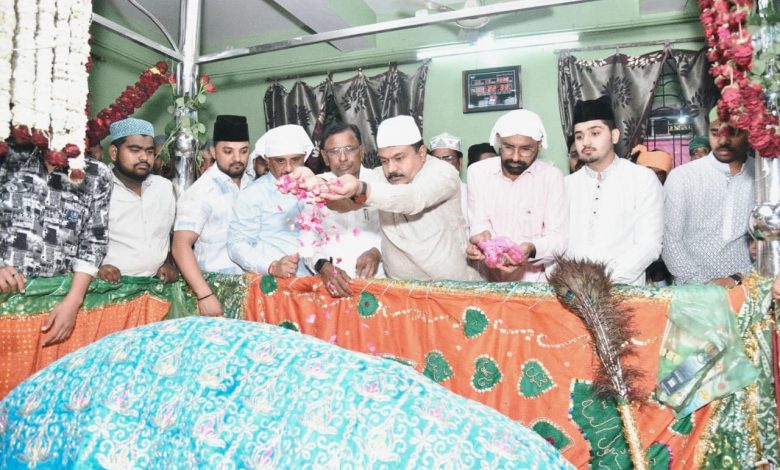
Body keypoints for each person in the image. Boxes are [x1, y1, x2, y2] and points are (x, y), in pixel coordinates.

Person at [295, 115, 476, 281]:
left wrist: (361, 188)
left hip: (450, 286)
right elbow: (345, 204)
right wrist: (318, 185)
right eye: (384, 160)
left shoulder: (443, 173)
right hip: (398, 288)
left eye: (399, 158)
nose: (391, 169)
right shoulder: (380, 175)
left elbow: (414, 198)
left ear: (421, 153)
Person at [0, 136, 113, 346]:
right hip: (5, 300)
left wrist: (74, 300)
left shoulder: (96, 174)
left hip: (58, 306)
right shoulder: (6, 156)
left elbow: (94, 241)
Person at [227, 125, 353, 298]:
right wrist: (271, 266)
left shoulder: (317, 186)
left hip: (320, 285)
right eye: (280, 161)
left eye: (295, 160)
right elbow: (236, 245)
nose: (288, 168)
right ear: (267, 160)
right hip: (275, 290)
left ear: (305, 158)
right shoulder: (253, 195)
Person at [564, 96, 664, 286]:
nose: (585, 142)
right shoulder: (565, 185)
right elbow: (557, 244)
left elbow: (649, 245)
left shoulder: (642, 179)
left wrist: (604, 279)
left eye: (595, 133)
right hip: (572, 291)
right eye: (579, 136)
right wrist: (566, 280)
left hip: (624, 290)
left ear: (615, 135)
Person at [466, 109, 568, 282]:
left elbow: (559, 238)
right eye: (508, 147)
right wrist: (482, 241)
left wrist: (531, 249)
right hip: (488, 280)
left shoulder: (551, 177)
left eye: (526, 149)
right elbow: (478, 222)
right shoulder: (477, 173)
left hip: (534, 283)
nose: (515, 157)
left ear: (539, 145)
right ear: (498, 140)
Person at [662, 107, 755, 287]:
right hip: (691, 290)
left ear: (748, 133)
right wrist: (701, 285)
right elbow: (670, 241)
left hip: (748, 287)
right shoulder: (683, 176)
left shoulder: (764, 176)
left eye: (733, 132)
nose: (723, 140)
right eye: (715, 132)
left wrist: (738, 278)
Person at [172, 115, 252, 316]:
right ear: (213, 152)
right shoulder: (202, 191)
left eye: (243, 151)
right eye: (228, 151)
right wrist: (204, 295)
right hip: (215, 288)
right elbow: (180, 246)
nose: (237, 158)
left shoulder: (252, 185)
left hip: (252, 288)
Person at [97, 119, 178, 283]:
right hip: (109, 289)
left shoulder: (164, 187)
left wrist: (167, 264)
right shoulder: (96, 189)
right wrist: (97, 270)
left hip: (157, 287)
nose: (144, 157)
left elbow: (170, 237)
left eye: (149, 151)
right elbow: (73, 244)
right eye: (135, 150)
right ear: (114, 152)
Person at [313, 122, 384, 279]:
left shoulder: (379, 182)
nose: (343, 158)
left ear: (361, 151)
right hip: (331, 282)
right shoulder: (317, 186)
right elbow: (308, 236)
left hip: (378, 278)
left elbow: (397, 232)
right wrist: (322, 265)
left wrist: (378, 251)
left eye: (349, 149)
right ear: (325, 157)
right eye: (334, 152)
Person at [633, 144, 673, 285]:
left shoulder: (672, 198)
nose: (653, 178)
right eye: (648, 172)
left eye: (659, 173)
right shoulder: (628, 197)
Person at [430, 132, 468, 220]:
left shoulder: (470, 194)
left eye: (448, 158)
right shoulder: (424, 194)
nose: (441, 164)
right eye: (436, 159)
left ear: (460, 162)